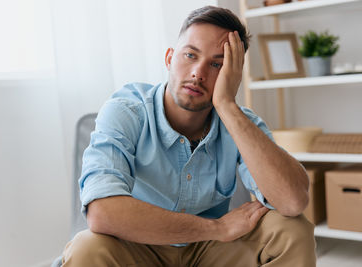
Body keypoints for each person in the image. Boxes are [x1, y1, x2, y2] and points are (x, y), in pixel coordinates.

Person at [61, 5, 316, 267]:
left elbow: (293, 201)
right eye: (190, 55)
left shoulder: (242, 122)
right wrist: (216, 228)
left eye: (217, 64)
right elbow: (103, 213)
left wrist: (227, 106)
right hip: (137, 246)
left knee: (291, 230)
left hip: (212, 253)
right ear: (170, 57)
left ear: (233, 75)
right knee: (87, 247)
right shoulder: (126, 111)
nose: (198, 73)